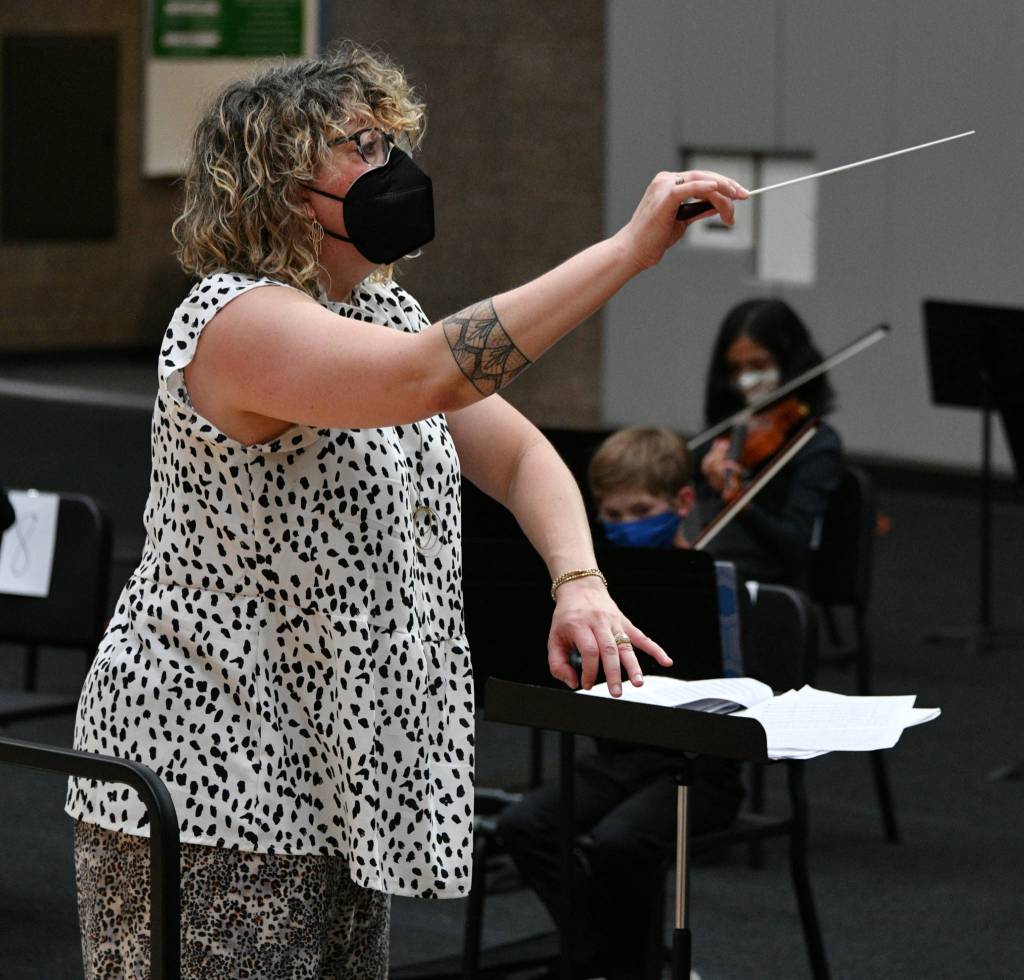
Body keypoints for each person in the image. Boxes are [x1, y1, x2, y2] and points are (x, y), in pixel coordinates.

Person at [62, 42, 747, 978]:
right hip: (210, 761)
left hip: (334, 761)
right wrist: (627, 252)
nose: (398, 167)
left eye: (393, 140)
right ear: (285, 180)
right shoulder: (233, 321)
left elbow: (519, 454)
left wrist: (579, 581)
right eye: (366, 145)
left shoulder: (381, 307)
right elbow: (432, 375)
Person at [498, 427, 744, 980]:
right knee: (524, 825)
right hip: (616, 760)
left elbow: (748, 697)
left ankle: (625, 966)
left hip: (697, 768)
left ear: (682, 504)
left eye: (642, 510)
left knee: (620, 843)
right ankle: (603, 958)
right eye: (612, 515)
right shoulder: (595, 590)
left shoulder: (715, 582)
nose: (626, 526)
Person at [696, 298, 843, 587]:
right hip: (713, 573)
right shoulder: (726, 433)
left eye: (758, 365)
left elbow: (794, 546)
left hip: (769, 587)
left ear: (790, 362)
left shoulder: (816, 444)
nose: (746, 381)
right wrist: (701, 485)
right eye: (735, 369)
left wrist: (743, 505)